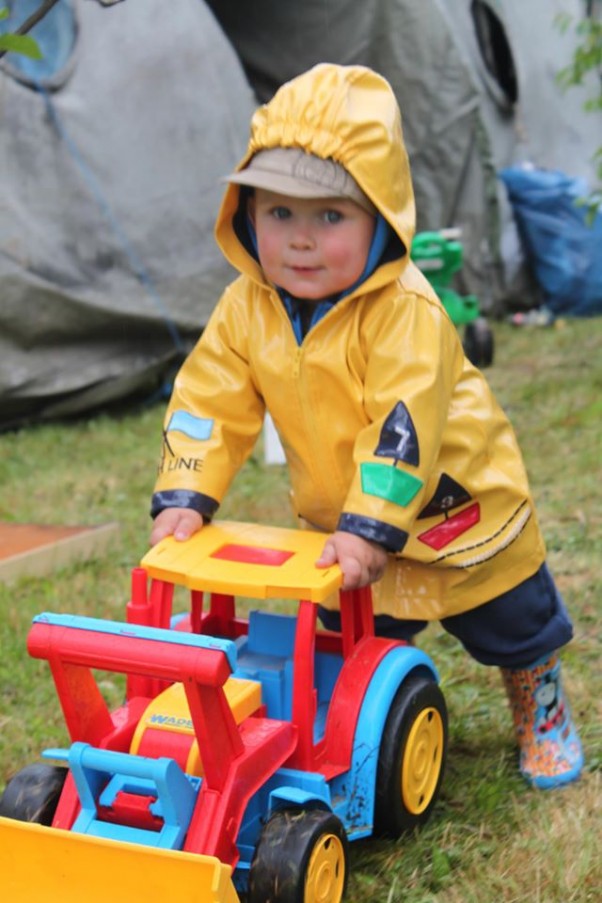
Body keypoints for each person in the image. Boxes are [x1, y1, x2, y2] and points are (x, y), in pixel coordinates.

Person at [150, 64, 582, 790]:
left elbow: (401, 427)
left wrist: (371, 522)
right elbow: (208, 399)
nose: (301, 240)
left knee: (514, 617)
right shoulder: (246, 308)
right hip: (347, 527)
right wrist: (185, 493)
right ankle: (355, 724)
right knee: (353, 642)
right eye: (278, 213)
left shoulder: (404, 313)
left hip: (456, 509)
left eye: (329, 216)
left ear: (381, 216)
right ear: (245, 210)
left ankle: (538, 698)